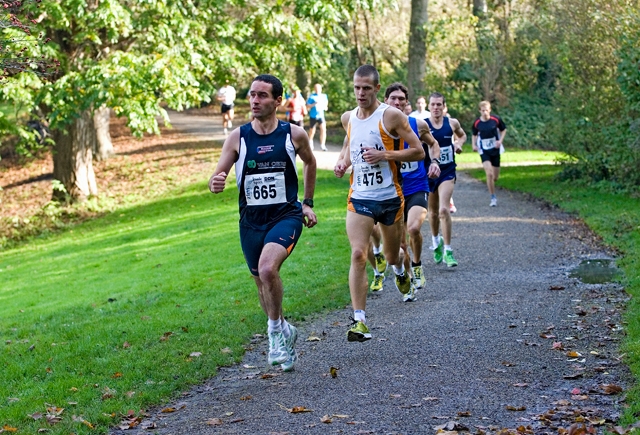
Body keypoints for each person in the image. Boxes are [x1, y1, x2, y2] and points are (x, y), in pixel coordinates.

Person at [209, 74, 317, 372]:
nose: (254, 101)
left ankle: (273, 334)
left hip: (285, 216)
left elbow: (310, 162)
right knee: (261, 284)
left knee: (269, 269)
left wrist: (307, 203)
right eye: (252, 95)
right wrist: (216, 182)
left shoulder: (293, 134)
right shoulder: (238, 137)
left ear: (277, 101)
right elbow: (217, 174)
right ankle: (285, 330)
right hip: (251, 222)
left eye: (262, 95)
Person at [334, 65, 425, 341]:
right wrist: (342, 162)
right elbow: (351, 145)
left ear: (376, 88)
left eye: (365, 88)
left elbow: (418, 151)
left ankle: (400, 271)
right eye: (356, 88)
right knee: (359, 254)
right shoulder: (348, 117)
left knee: (391, 254)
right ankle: (359, 321)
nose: (360, 93)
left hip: (389, 198)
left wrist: (384, 155)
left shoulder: (391, 116)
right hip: (359, 198)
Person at [383, 83, 441, 302]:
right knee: (400, 244)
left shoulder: (418, 124)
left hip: (417, 186)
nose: (397, 103)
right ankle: (407, 277)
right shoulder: (380, 127)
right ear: (385, 100)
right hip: (391, 191)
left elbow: (433, 145)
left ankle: (417, 265)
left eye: (401, 99)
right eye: (393, 99)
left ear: (407, 103)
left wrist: (434, 162)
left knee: (414, 228)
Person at [426, 92, 467, 268]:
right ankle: (436, 242)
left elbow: (462, 135)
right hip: (429, 173)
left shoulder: (452, 123)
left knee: (444, 209)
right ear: (429, 106)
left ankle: (448, 251)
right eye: (433, 104)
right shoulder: (423, 126)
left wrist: (458, 144)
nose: (436, 107)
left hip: (447, 171)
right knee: (433, 213)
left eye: (439, 104)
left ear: (444, 107)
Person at [472, 101, 507, 207]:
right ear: (480, 111)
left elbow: (503, 129)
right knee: (489, 173)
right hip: (484, 150)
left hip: (495, 149)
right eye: (483, 110)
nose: (485, 112)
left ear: (490, 110)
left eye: (487, 110)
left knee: (495, 177)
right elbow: (474, 134)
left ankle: (492, 185)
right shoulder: (477, 123)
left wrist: (500, 141)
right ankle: (493, 197)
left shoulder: (496, 120)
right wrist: (474, 145)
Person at [307, 83, 329, 151]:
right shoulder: (312, 96)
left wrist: (325, 107)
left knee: (323, 129)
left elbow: (326, 103)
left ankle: (322, 145)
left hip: (321, 115)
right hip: (313, 115)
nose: (317, 90)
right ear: (314, 89)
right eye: (316, 88)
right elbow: (307, 106)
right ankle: (310, 143)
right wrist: (314, 104)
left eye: (318, 88)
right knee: (312, 130)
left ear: (321, 89)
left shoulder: (324, 96)